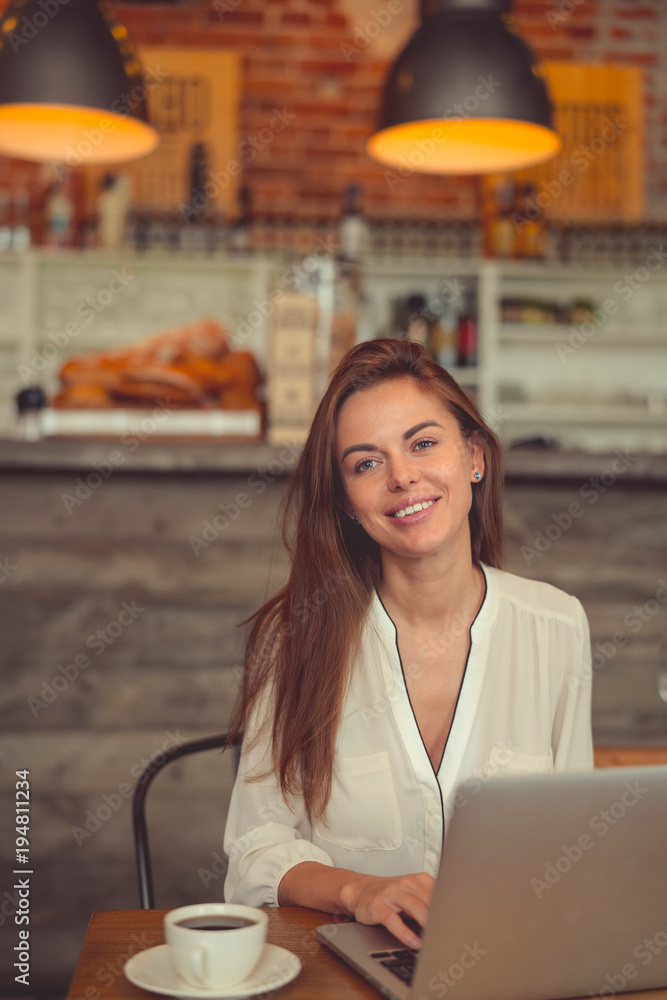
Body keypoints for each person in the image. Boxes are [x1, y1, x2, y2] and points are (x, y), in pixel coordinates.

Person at [223, 338, 593, 950]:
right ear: (345, 500)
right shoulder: (293, 637)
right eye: (367, 463)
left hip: (509, 966)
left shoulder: (557, 625)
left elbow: (572, 839)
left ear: (474, 456)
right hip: (344, 973)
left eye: (423, 443)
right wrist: (359, 890)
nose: (402, 476)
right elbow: (254, 850)